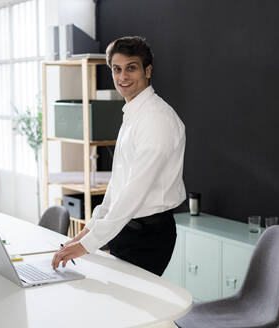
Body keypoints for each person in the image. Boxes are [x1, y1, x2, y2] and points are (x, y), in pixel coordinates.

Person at [52, 36, 186, 276]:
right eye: (117, 69)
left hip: (148, 235)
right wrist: (83, 234)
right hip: (127, 228)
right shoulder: (134, 113)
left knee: (135, 311)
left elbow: (134, 192)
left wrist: (86, 245)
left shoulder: (156, 120)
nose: (123, 76)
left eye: (131, 68)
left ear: (148, 70)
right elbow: (117, 187)